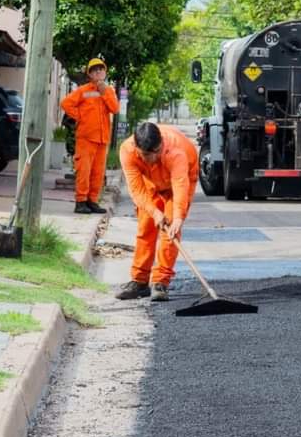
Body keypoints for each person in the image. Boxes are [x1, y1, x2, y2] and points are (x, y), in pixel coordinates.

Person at [115, 122, 199, 302]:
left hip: (180, 181)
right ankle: (139, 282)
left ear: (161, 144)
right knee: (145, 228)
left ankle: (161, 282)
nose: (153, 157)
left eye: (157, 151)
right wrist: (154, 212)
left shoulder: (176, 153)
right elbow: (137, 190)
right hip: (150, 183)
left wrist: (178, 217)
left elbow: (180, 186)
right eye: (147, 155)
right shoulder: (127, 151)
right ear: (137, 148)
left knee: (170, 232)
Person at [61, 57, 119, 214]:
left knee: (98, 173)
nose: (98, 71)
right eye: (95, 70)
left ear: (105, 72)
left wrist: (104, 92)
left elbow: (114, 108)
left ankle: (92, 201)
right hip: (86, 137)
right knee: (84, 171)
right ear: (90, 74)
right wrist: (80, 116)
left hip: (102, 138)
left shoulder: (109, 91)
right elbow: (66, 104)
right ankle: (81, 202)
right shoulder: (83, 90)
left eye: (101, 69)